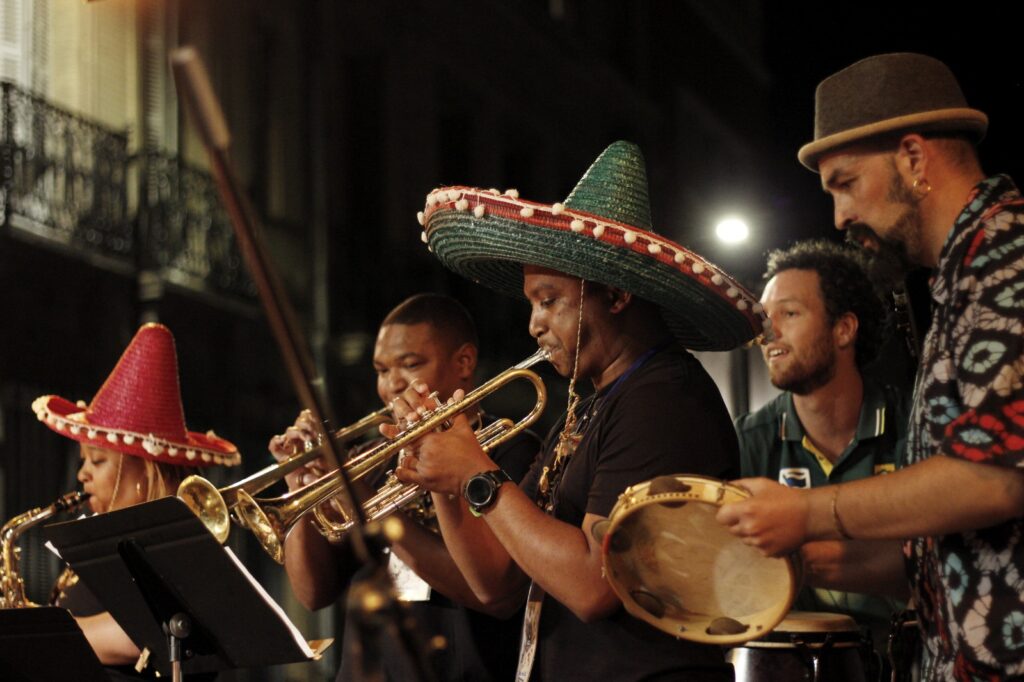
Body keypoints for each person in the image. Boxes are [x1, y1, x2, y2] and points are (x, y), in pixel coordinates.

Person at [392, 141, 767, 680]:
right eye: (532, 304)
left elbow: (595, 586)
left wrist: (475, 472)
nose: (534, 325)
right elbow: (495, 585)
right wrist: (443, 478)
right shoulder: (591, 407)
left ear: (614, 295)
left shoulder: (663, 399)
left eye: (549, 301)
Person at [717, 53, 1024, 680]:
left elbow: (996, 477)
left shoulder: (1003, 258)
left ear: (913, 159)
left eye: (846, 183)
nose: (839, 217)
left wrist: (806, 511)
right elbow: (944, 551)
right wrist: (795, 552)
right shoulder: (960, 275)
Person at [268, 293, 540, 682]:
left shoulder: (511, 450)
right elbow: (313, 593)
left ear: (464, 362)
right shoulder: (371, 458)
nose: (392, 384)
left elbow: (489, 592)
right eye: (381, 370)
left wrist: (363, 499)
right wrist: (299, 484)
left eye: (410, 365)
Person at [31, 322, 240, 681]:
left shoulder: (179, 547)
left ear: (145, 469)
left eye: (97, 461)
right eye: (83, 461)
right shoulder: (98, 547)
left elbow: (138, 636)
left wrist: (38, 635)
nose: (82, 474)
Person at [736, 239, 908, 650]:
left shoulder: (912, 423)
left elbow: (937, 558)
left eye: (789, 313)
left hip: (909, 657)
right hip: (792, 662)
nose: (768, 332)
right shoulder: (748, 438)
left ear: (844, 329)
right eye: (764, 318)